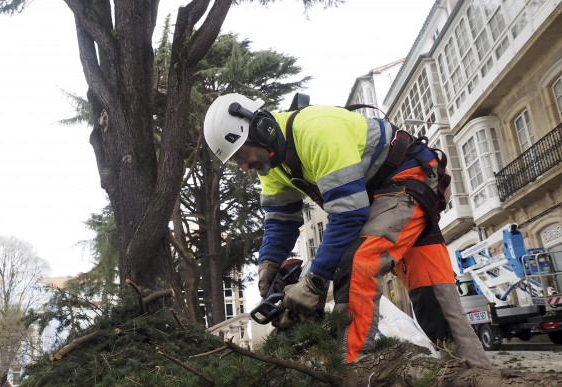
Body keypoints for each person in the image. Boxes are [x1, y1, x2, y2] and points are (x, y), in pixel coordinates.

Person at [203, 92, 491, 368]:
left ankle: (351, 369)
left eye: (242, 154)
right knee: (433, 292)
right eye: (235, 161)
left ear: (261, 129)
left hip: (407, 180)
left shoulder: (315, 131)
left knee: (358, 263)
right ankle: (473, 373)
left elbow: (349, 214)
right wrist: (268, 265)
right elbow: (280, 221)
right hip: (379, 196)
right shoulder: (272, 166)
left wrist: (315, 281)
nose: (243, 166)